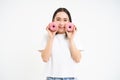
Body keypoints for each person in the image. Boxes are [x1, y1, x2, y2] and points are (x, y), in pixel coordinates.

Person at [39, 7, 83, 80]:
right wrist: (51, 37)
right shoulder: (47, 36)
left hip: (71, 77)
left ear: (69, 22)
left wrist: (71, 39)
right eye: (58, 19)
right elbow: (45, 58)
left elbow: (77, 59)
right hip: (52, 77)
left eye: (65, 20)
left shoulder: (74, 37)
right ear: (53, 21)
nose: (61, 23)